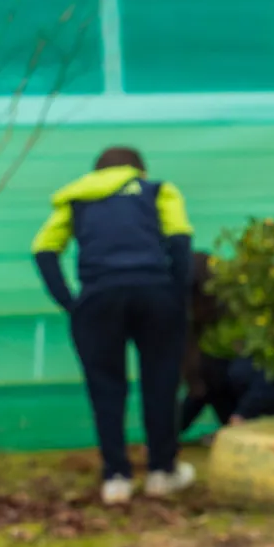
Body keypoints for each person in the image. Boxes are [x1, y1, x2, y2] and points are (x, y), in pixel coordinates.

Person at [31, 146, 196, 506]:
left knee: (105, 387)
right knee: (161, 382)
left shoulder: (75, 199)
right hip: (155, 292)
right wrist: (177, 294)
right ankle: (161, 473)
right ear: (139, 170)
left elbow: (43, 250)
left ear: (96, 173)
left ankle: (116, 478)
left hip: (98, 297)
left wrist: (71, 302)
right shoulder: (158, 191)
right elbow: (180, 243)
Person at [178, 252, 274, 435]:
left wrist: (242, 415)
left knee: (241, 370)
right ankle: (238, 430)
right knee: (210, 369)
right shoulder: (205, 326)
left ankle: (263, 426)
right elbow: (200, 388)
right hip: (251, 384)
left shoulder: (253, 306)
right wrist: (167, 436)